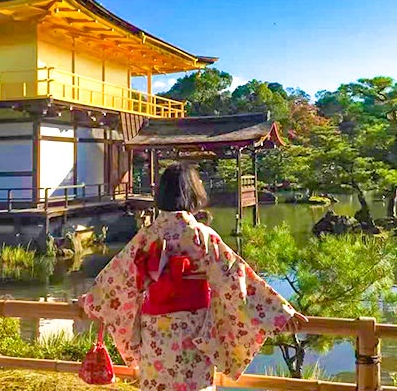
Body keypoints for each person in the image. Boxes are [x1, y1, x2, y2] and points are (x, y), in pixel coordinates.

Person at [80, 162, 307, 391]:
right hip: (194, 331)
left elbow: (117, 280)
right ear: (193, 194)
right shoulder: (201, 235)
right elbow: (234, 278)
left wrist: (90, 300)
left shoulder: (147, 236)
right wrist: (278, 310)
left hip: (155, 333)